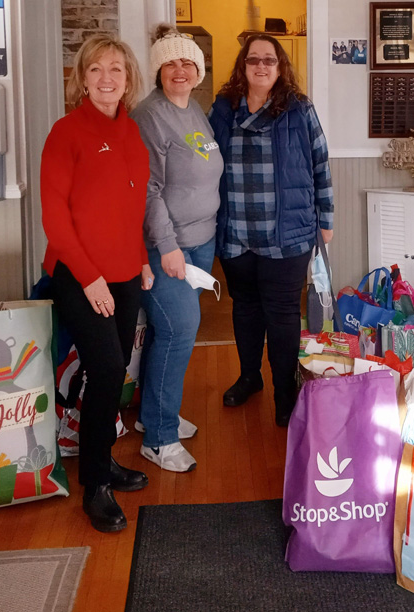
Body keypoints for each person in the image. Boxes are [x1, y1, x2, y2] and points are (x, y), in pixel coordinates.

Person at [40, 33, 152, 533]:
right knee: (106, 368)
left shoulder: (131, 132)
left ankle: (102, 462)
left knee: (113, 370)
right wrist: (90, 280)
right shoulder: (65, 133)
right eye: (96, 69)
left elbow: (131, 209)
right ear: (82, 78)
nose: (107, 78)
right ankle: (95, 486)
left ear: (128, 79)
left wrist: (144, 259)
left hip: (127, 273)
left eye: (116, 69)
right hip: (78, 275)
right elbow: (55, 220)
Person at [208, 33, 334, 427]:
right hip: (236, 230)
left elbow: (320, 163)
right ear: (242, 67)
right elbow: (203, 162)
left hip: (289, 233)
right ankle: (249, 377)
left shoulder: (299, 110)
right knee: (244, 310)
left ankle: (285, 391)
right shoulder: (223, 110)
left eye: (269, 60)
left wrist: (325, 218)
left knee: (281, 317)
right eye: (253, 60)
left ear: (280, 68)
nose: (261, 66)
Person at [129, 24, 223, 472]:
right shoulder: (149, 115)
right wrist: (166, 246)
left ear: (199, 71)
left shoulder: (194, 110)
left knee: (173, 334)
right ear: (158, 71)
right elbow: (146, 189)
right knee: (178, 331)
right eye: (170, 63)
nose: (179, 70)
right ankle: (159, 438)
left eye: (187, 62)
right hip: (168, 247)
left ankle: (155, 415)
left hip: (201, 241)